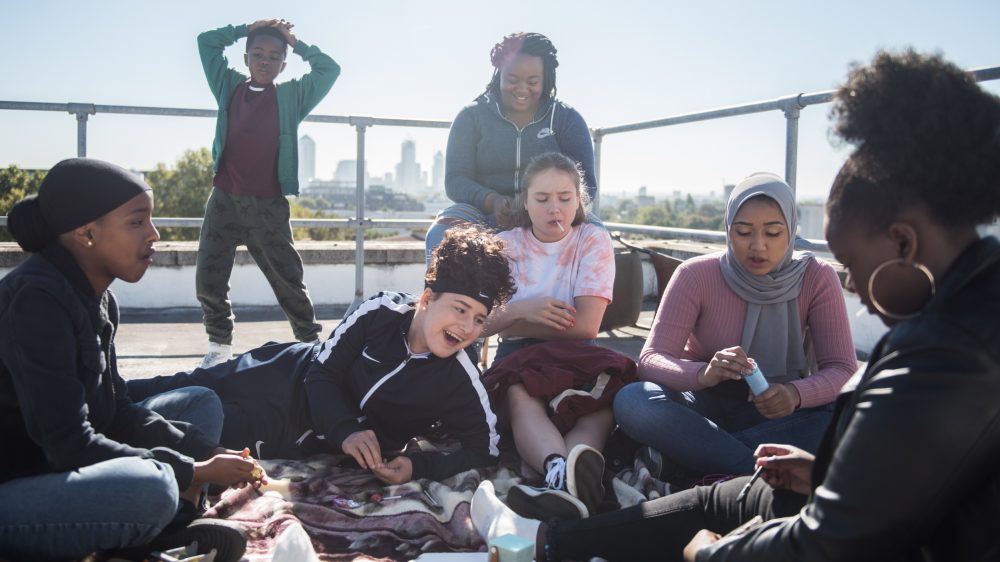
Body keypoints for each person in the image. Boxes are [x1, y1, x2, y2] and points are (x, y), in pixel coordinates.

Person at [470, 50, 1000, 562]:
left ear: (903, 243)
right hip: (721, 414)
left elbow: (833, 539)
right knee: (692, 465)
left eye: (852, 264)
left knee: (758, 478)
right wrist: (819, 471)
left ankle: (695, 471)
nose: (853, 285)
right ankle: (542, 540)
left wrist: (711, 553)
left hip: (825, 470)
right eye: (744, 231)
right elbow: (652, 360)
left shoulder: (946, 358)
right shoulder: (956, 324)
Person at [0, 159, 260, 561]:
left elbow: (116, 411)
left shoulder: (99, 298)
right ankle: (156, 522)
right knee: (152, 486)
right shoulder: (35, 302)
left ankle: (165, 528)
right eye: (137, 222)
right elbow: (68, 446)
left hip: (70, 469)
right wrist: (193, 470)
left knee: (200, 402)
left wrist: (209, 451)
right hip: (20, 486)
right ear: (87, 234)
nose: (154, 234)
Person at [128, 225, 516, 484]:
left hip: (286, 432)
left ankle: (108, 444)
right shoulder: (380, 311)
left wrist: (418, 465)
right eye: (460, 309)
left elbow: (486, 448)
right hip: (280, 374)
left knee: (192, 426)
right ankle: (100, 397)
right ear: (428, 299)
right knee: (177, 385)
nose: (467, 327)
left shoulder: (460, 374)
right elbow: (322, 372)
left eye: (479, 319)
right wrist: (346, 429)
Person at [613, 172, 857, 485]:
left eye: (773, 232)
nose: (758, 246)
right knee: (634, 401)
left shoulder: (816, 277)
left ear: (791, 230)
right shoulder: (695, 275)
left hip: (781, 414)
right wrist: (702, 374)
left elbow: (843, 370)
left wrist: (794, 394)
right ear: (728, 229)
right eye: (743, 232)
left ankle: (694, 461)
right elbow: (651, 360)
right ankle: (757, 472)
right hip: (703, 406)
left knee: (850, 415)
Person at [195, 19, 341, 368]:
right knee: (208, 278)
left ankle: (311, 345)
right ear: (245, 58)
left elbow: (329, 69)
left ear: (284, 65)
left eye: (275, 56)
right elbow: (206, 41)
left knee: (287, 279)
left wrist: (297, 42)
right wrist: (247, 28)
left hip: (267, 204)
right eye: (258, 54)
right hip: (225, 198)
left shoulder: (291, 96)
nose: (265, 61)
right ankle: (219, 346)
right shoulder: (228, 85)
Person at [482, 152, 617, 520]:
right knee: (519, 393)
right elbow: (478, 323)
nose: (554, 208)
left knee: (601, 405)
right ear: (525, 202)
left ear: (579, 200)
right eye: (541, 199)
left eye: (565, 197)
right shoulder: (505, 245)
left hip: (576, 352)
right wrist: (522, 311)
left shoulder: (592, 240)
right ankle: (559, 470)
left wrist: (513, 319)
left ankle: (569, 476)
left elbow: (586, 326)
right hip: (518, 356)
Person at [425, 32, 599, 262]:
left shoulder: (566, 119)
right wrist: (493, 200)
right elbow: (456, 180)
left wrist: (539, 207)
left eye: (533, 82)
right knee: (440, 234)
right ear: (499, 74)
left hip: (548, 210)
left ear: (546, 79)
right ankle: (446, 289)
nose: (522, 89)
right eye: (512, 80)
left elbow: (586, 186)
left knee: (596, 234)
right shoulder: (471, 116)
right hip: (481, 212)